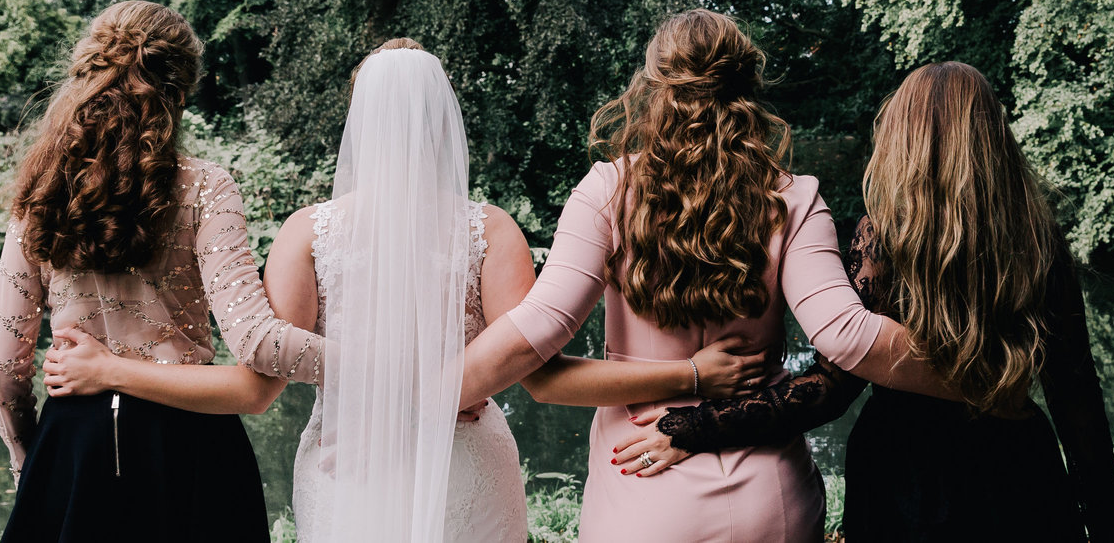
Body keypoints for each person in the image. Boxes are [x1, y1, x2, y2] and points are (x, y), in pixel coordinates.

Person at [43, 37, 765, 543]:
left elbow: (263, 374)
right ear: (440, 117)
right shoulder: (494, 229)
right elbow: (532, 369)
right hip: (466, 457)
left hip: (343, 458)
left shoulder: (306, 233)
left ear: (359, 121)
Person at [459, 9, 955, 543]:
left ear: (653, 85)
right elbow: (844, 333)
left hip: (644, 487)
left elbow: (538, 330)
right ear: (748, 85)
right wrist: (979, 379)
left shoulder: (606, 190)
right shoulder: (795, 196)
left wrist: (429, 395)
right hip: (771, 493)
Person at [621, 61, 1114, 543]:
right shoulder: (1042, 241)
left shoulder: (884, 240)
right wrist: (1108, 530)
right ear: (995, 137)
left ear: (901, 139)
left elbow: (831, 387)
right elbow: (1077, 395)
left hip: (907, 471)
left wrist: (698, 426)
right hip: (1018, 467)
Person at [0, 1, 320, 542]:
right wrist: (383, 369)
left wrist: (33, 463)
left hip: (74, 446)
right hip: (191, 441)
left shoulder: (40, 194)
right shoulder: (206, 189)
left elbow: (2, 371)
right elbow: (257, 342)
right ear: (181, 92)